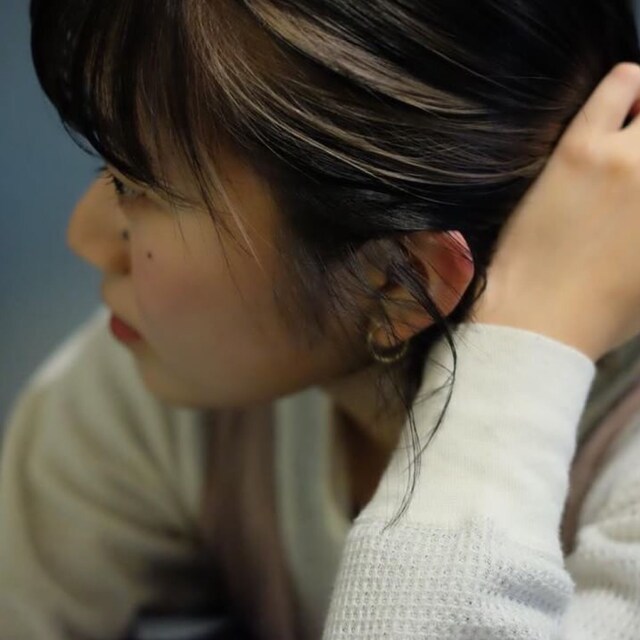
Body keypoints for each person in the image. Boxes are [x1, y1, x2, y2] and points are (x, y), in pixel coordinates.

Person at [1, 0, 640, 638]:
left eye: (135, 188)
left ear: (396, 283)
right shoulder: (170, 386)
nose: (84, 237)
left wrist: (516, 353)